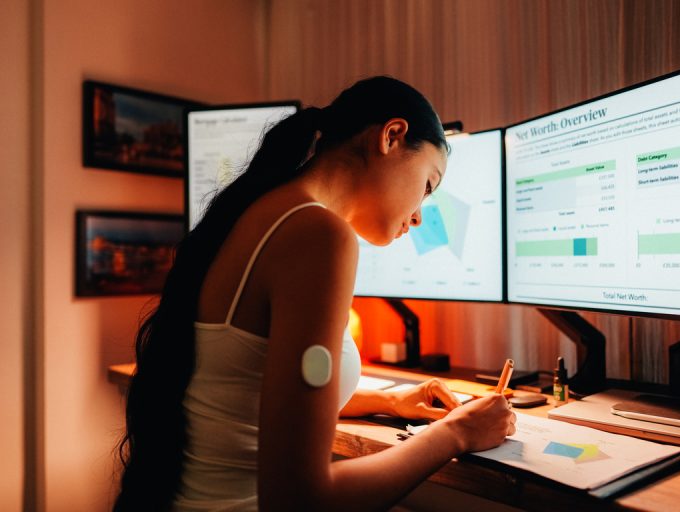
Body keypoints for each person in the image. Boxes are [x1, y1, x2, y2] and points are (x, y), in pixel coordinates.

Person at [114, 76, 515, 512]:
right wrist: (455, 434)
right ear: (392, 136)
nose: (419, 216)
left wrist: (387, 401)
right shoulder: (319, 234)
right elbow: (302, 499)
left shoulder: (263, 211)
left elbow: (244, 389)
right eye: (427, 186)